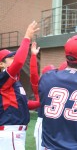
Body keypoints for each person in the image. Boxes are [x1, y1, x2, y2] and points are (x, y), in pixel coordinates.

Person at [0, 21, 39, 150]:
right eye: (11, 57)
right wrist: (27, 36)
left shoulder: (13, 81)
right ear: (1, 64)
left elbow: (24, 103)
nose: (15, 58)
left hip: (14, 133)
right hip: (8, 132)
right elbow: (19, 62)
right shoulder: (3, 77)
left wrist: (41, 102)